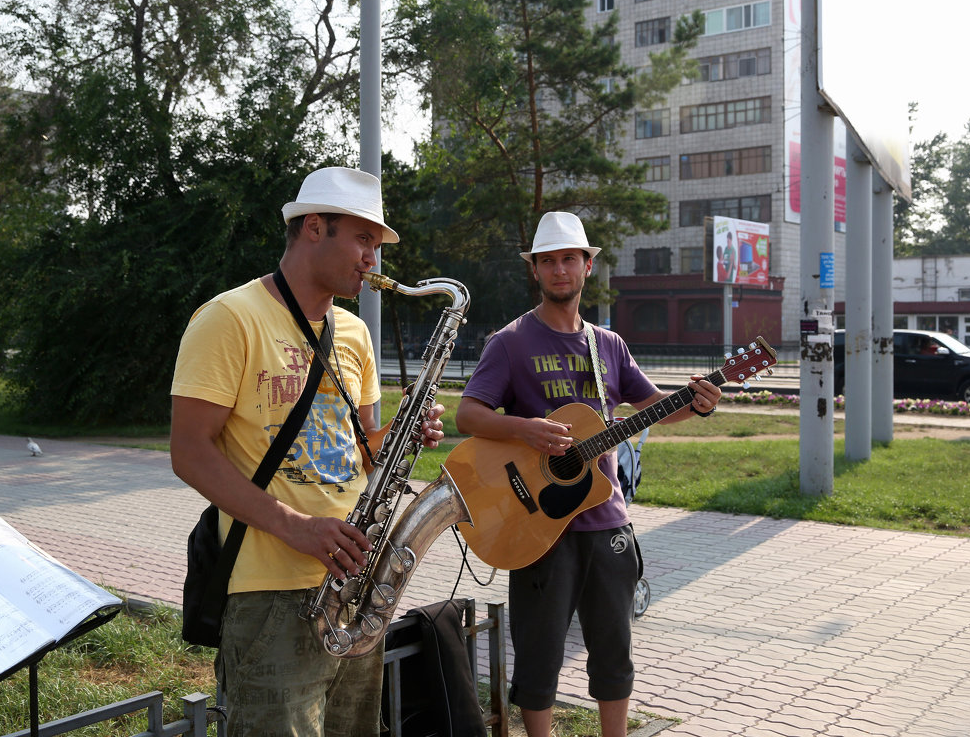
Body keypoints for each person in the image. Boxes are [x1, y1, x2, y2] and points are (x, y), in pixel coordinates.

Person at [170, 166, 446, 737]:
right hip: (269, 590)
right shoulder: (229, 318)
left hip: (354, 584)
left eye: (377, 244)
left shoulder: (353, 332)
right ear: (314, 227)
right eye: (363, 239)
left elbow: (359, 452)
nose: (373, 258)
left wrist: (400, 436)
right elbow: (189, 453)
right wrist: (296, 527)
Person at [455, 211, 722, 737]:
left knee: (614, 648)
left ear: (587, 266)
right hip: (536, 527)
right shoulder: (510, 342)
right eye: (548, 261)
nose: (559, 270)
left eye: (569, 260)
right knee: (539, 651)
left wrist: (701, 403)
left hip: (606, 521)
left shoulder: (609, 345)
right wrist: (526, 431)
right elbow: (468, 414)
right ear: (535, 270)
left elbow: (654, 406)